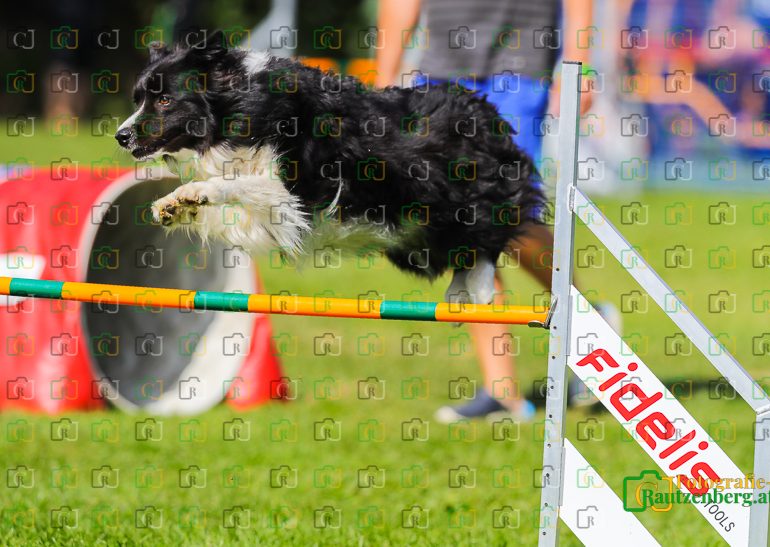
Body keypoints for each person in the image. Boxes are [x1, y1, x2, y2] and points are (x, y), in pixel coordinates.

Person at [375, 0, 621, 422]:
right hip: (441, 74)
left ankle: (584, 319)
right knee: (462, 221)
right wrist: (384, 81)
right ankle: (502, 392)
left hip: (519, 66)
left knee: (509, 213)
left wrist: (578, 66)